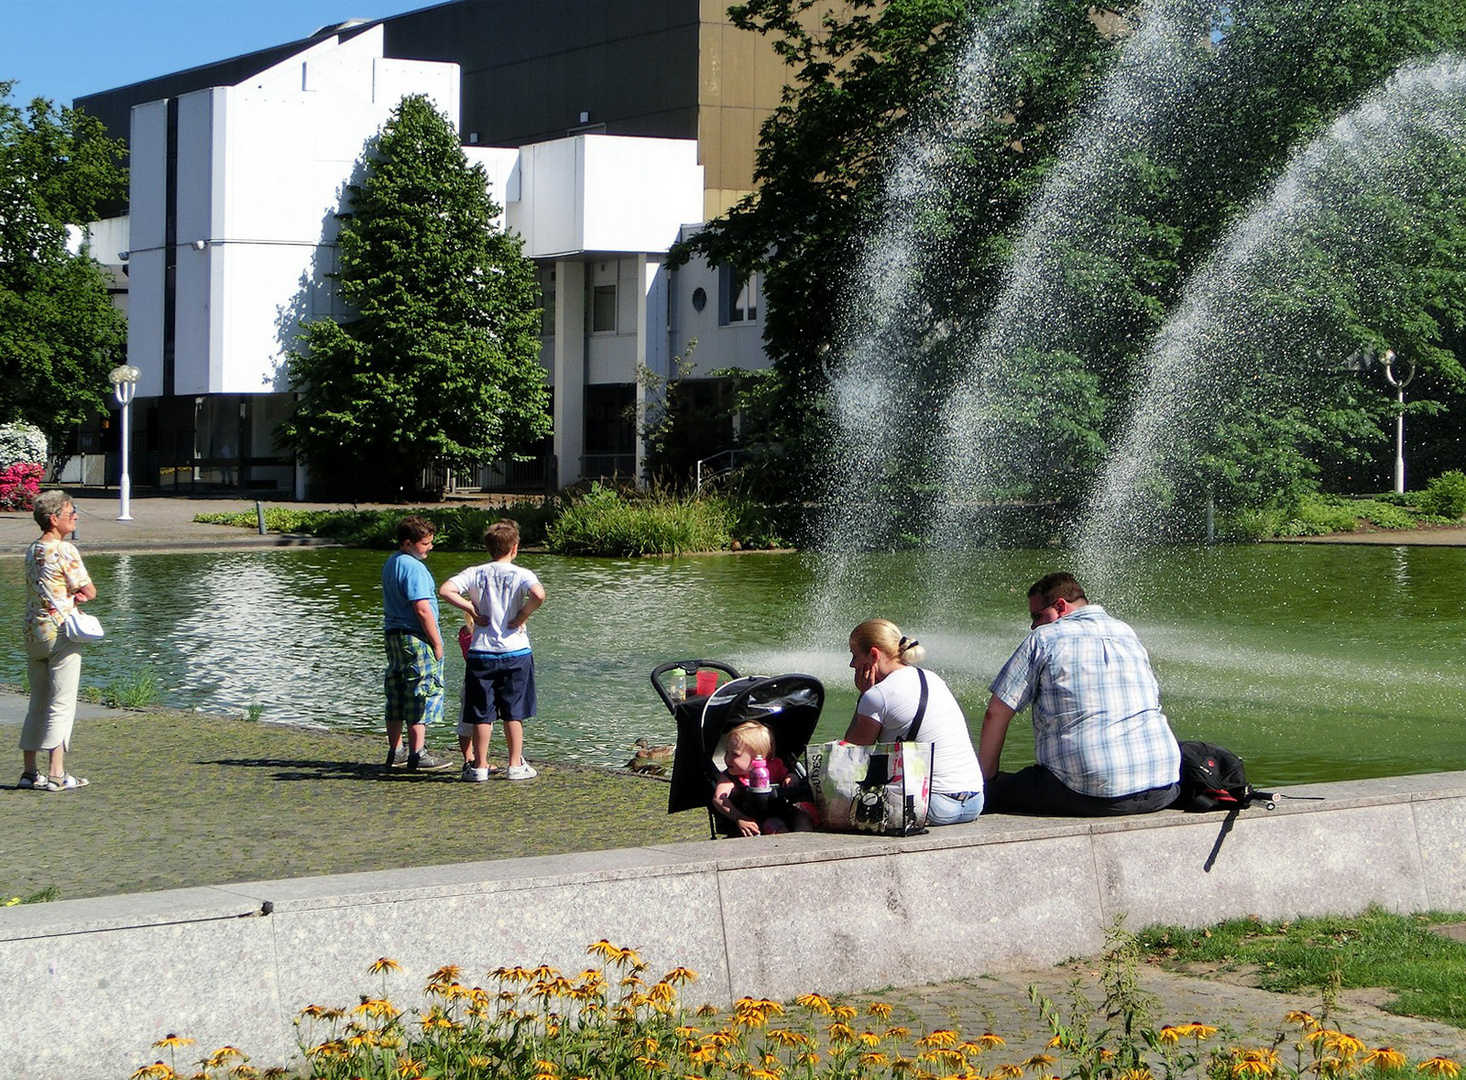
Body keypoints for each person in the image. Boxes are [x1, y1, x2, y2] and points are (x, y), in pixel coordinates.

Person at [979, 572, 1181, 816]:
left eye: (1037, 616)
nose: (1033, 625)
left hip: (1088, 791)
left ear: (1061, 606)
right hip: (1163, 786)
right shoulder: (1126, 632)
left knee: (986, 791)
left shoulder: (1044, 638)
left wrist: (985, 781)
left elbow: (996, 713)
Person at [845, 618, 984, 825]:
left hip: (934, 805)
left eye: (855, 656)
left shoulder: (877, 695)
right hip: (975, 800)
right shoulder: (932, 678)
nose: (852, 664)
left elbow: (851, 754)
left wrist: (863, 695)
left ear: (873, 654)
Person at [439, 519, 545, 781]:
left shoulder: (475, 572)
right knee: (513, 711)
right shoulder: (522, 574)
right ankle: (514, 764)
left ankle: (480, 766)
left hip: (482, 651)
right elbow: (539, 595)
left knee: (481, 713)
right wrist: (522, 615)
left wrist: (470, 608)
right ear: (515, 547)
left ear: (488, 548)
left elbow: (445, 590)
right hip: (515, 650)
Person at [19, 490, 95, 792]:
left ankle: (28, 772)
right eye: (70, 512)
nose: (75, 516)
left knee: (37, 702)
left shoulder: (32, 549)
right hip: (61, 632)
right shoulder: (65, 550)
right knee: (61, 704)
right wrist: (78, 595)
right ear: (54, 519)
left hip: (32, 632)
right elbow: (89, 591)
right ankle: (57, 774)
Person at [381, 515, 449, 772]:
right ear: (408, 543)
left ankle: (396, 750)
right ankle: (417, 753)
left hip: (394, 635)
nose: (430, 547)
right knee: (420, 692)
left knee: (396, 691)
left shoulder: (392, 562)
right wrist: (437, 643)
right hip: (415, 636)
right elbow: (422, 609)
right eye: (426, 543)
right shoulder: (414, 567)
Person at [712, 720, 813, 836]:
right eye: (727, 752)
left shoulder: (773, 767)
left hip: (783, 809)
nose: (727, 758)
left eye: (735, 754)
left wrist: (791, 778)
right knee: (778, 827)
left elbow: (788, 775)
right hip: (758, 818)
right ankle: (788, 847)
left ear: (756, 757)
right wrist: (739, 817)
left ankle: (804, 843)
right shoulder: (731, 777)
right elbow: (719, 799)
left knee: (804, 819)